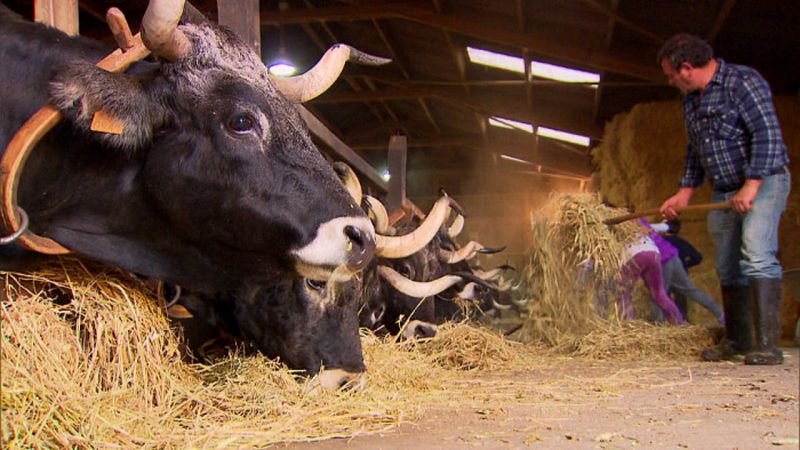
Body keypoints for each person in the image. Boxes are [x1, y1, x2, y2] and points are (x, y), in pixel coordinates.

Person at [657, 33, 791, 365]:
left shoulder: (742, 82)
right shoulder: (691, 101)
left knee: (756, 255)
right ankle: (738, 341)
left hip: (764, 181)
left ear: (686, 68)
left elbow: (767, 135)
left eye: (671, 75)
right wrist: (685, 191)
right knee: (728, 266)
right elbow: (695, 150)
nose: (670, 81)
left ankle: (769, 347)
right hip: (724, 189)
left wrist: (752, 185)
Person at [649, 219, 724, 324]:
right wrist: (685, 264)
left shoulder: (640, 226)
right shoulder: (678, 241)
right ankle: (720, 314)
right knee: (690, 291)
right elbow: (697, 257)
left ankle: (659, 325)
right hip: (674, 260)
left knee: (659, 295)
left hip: (663, 263)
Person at [618, 227, 685, 325]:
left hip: (634, 254)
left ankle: (628, 324)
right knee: (659, 294)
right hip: (653, 253)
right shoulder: (638, 225)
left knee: (624, 293)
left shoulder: (616, 228)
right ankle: (679, 322)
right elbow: (662, 227)